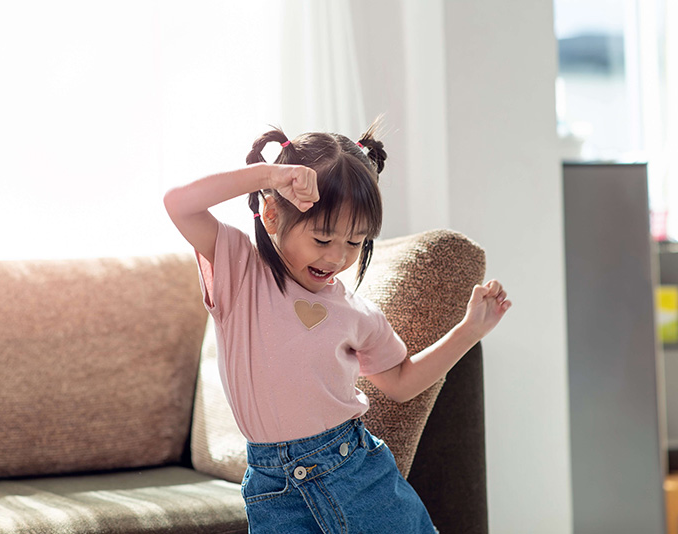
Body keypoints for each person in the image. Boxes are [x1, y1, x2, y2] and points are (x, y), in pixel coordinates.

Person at [163, 122, 511, 533]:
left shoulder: (357, 313)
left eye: (355, 242)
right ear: (272, 215)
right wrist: (270, 177)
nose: (338, 257)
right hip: (274, 488)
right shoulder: (241, 271)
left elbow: (401, 381)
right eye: (323, 239)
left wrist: (469, 331)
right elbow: (179, 203)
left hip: (357, 471)